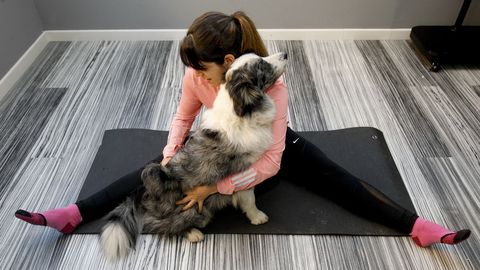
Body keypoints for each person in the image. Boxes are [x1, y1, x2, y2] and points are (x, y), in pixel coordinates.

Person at [15, 11, 470, 248]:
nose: (199, 78)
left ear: (229, 63)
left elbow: (271, 160)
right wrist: (173, 154)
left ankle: (421, 227)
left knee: (339, 181)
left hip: (269, 151)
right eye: (193, 71)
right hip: (219, 147)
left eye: (205, 70)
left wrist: (214, 187)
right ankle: (71, 214)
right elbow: (182, 116)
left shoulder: (273, 87)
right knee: (149, 172)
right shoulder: (197, 74)